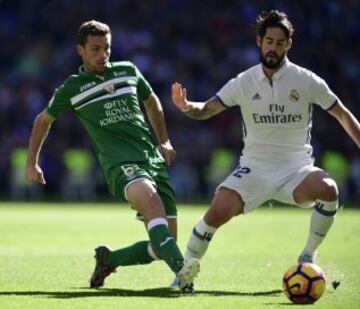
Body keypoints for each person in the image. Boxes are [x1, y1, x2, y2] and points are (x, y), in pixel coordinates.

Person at [171, 10, 360, 267]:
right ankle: (182, 273)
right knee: (215, 213)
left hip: (297, 170)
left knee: (329, 189)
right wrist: (185, 106)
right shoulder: (244, 81)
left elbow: (343, 114)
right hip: (254, 169)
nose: (273, 48)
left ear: (288, 44)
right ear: (259, 41)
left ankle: (307, 256)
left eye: (279, 43)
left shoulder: (306, 80)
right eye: (269, 41)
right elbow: (206, 109)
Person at [26, 20, 199, 293]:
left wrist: (164, 140)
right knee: (152, 205)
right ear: (80, 50)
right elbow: (42, 120)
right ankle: (183, 273)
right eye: (95, 48)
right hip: (121, 166)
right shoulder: (73, 87)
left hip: (152, 160)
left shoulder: (128, 70)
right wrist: (31, 162)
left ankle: (109, 259)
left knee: (162, 245)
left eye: (106, 48)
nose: (102, 54)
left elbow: (151, 100)